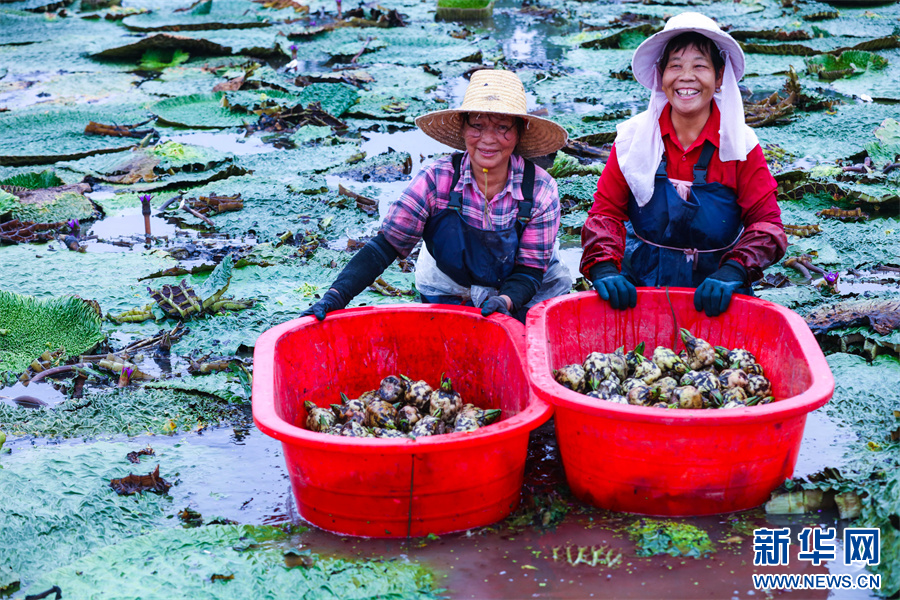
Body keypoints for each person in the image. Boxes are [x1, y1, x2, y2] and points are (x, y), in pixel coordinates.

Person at [302, 69, 572, 322]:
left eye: (502, 127)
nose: (488, 139)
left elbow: (529, 270)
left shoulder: (540, 189)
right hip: (449, 285)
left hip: (528, 291)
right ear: (463, 128)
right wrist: (336, 296)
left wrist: (506, 301)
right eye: (477, 125)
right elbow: (387, 245)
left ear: (519, 131)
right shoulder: (436, 178)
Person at [580, 12, 788, 317]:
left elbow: (767, 225)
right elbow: (606, 213)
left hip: (717, 294)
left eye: (700, 66)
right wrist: (605, 267)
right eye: (675, 66)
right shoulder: (632, 139)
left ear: (719, 78)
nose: (686, 77)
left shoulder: (741, 145)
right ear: (661, 76)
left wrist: (733, 271)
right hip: (640, 288)